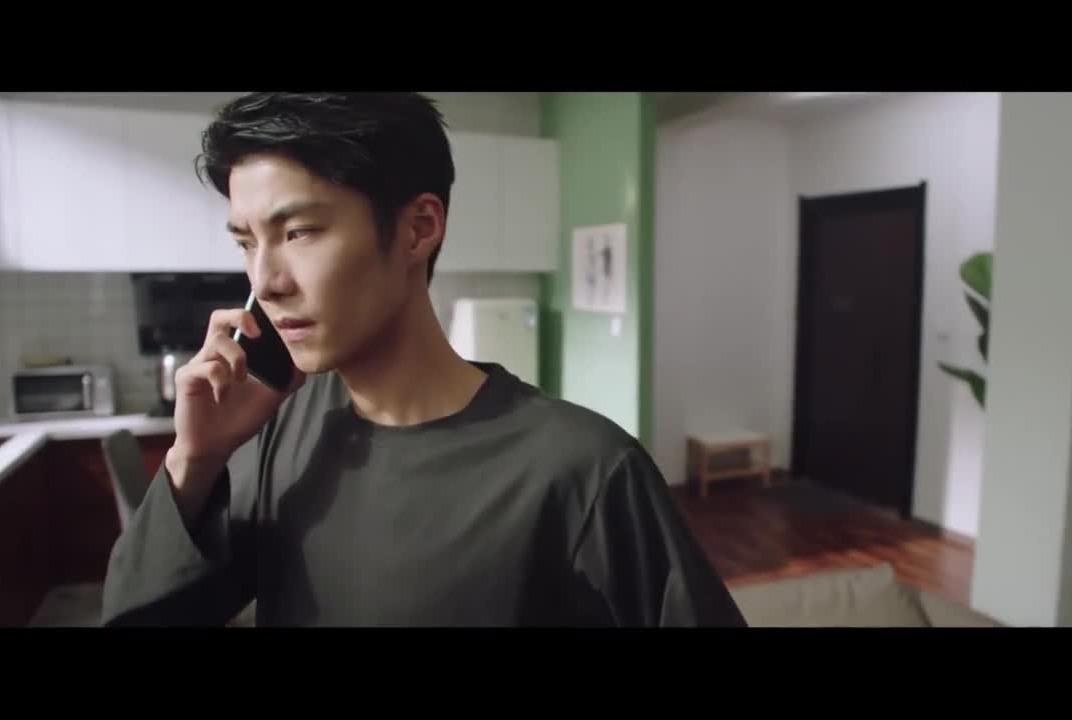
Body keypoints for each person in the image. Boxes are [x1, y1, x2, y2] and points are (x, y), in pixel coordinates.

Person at [100, 92, 747, 627]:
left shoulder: (585, 471)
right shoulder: (278, 431)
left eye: (298, 232)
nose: (265, 281)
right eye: (247, 242)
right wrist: (194, 460)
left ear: (418, 228)